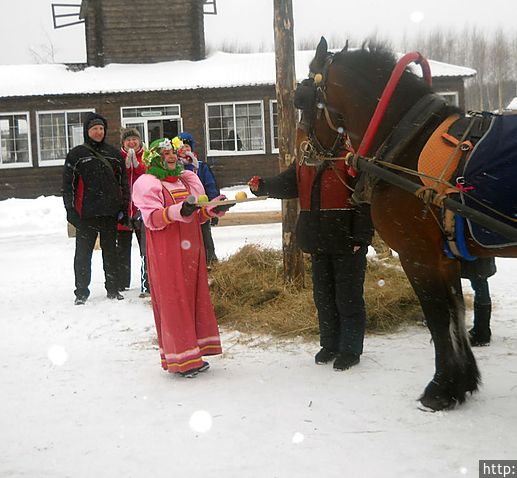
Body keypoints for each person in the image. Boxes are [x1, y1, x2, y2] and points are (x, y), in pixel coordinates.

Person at [248, 156, 374, 372]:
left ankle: (350, 349)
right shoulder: (304, 161)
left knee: (348, 297)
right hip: (318, 240)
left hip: (347, 240)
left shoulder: (350, 159)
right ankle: (330, 344)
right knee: (323, 297)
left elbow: (365, 199)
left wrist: (361, 237)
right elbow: (288, 184)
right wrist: (263, 186)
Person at [132, 137, 234, 377]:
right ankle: (182, 359)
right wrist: (179, 210)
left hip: (191, 251)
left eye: (173, 153)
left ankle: (195, 350)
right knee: (174, 300)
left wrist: (213, 208)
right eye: (165, 153)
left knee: (193, 297)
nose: (171, 156)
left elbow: (197, 216)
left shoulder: (185, 179)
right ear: (154, 157)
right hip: (167, 252)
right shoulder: (148, 183)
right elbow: (153, 219)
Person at [62, 113, 130, 305]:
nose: (98, 132)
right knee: (83, 255)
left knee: (111, 253)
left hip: (110, 213)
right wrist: (70, 210)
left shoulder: (114, 153)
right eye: (94, 129)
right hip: (86, 215)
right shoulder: (76, 155)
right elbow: (68, 186)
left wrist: (123, 206)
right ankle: (81, 292)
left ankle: (113, 288)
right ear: (87, 131)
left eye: (101, 129)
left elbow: (123, 183)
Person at [116, 127, 151, 298]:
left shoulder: (147, 156)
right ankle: (121, 282)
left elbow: (148, 177)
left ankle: (147, 282)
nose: (131, 143)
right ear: (123, 142)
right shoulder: (118, 157)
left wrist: (137, 167)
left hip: (141, 210)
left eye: (134, 139)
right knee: (122, 248)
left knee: (145, 248)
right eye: (128, 140)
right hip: (123, 209)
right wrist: (126, 166)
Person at [177, 132, 220, 265]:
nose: (185, 149)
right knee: (185, 240)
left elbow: (211, 187)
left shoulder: (201, 166)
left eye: (187, 146)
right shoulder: (174, 167)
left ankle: (210, 262)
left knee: (205, 237)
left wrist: (214, 208)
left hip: (201, 210)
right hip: (183, 210)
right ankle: (190, 264)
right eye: (182, 146)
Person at [461, 257, 497, 347]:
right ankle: (482, 330)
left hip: (474, 255)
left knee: (480, 284)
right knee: (480, 284)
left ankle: (481, 332)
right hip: (481, 254)